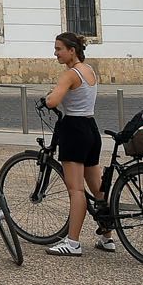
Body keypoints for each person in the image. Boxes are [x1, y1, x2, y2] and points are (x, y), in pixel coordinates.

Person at [40, 30, 113, 256]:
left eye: (59, 49)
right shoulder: (89, 70)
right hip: (91, 129)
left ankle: (72, 243)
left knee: (76, 189)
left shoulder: (70, 74)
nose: (56, 53)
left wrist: (47, 98)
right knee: (98, 189)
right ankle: (107, 237)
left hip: (74, 130)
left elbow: (53, 101)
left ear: (72, 51)